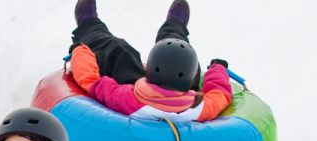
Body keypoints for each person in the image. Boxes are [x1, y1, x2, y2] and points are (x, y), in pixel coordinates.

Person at [69, 0, 232, 123]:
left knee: (118, 49)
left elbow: (91, 81)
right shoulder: (200, 108)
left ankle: (89, 24)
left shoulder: (126, 99)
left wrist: (80, 51)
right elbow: (220, 93)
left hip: (138, 96)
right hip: (183, 103)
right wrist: (218, 68)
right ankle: (175, 24)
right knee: (180, 50)